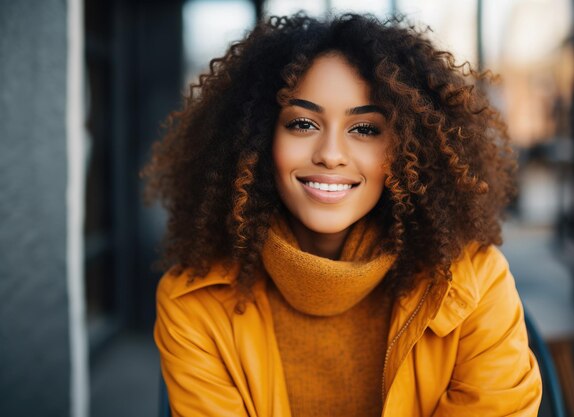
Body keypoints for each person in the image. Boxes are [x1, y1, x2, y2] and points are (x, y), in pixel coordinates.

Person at [145, 13, 542, 417]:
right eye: (302, 123)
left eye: (365, 129)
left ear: (409, 148)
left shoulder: (475, 283)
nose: (331, 154)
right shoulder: (192, 301)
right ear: (258, 138)